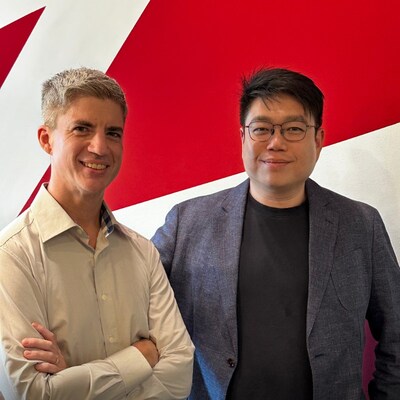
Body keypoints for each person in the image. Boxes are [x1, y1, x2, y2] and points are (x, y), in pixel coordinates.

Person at [151, 68, 400, 399]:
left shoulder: (361, 225)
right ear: (243, 137)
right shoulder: (188, 222)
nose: (276, 142)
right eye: (262, 129)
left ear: (318, 140)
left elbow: (396, 333)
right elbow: (130, 299)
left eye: (294, 129)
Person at [0, 67, 194, 399]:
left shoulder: (143, 252)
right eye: (82, 128)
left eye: (113, 133)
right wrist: (143, 355)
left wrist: (73, 381)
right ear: (47, 139)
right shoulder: (11, 255)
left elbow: (179, 377)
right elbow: (31, 392)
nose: (100, 147)